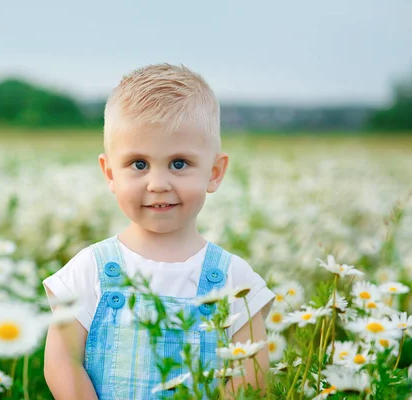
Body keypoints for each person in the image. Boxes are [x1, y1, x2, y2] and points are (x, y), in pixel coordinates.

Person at [42, 63, 275, 399]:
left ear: (214, 172)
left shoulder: (235, 281)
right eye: (139, 164)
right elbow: (62, 362)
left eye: (179, 163)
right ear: (109, 173)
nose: (158, 184)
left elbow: (252, 376)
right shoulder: (89, 268)